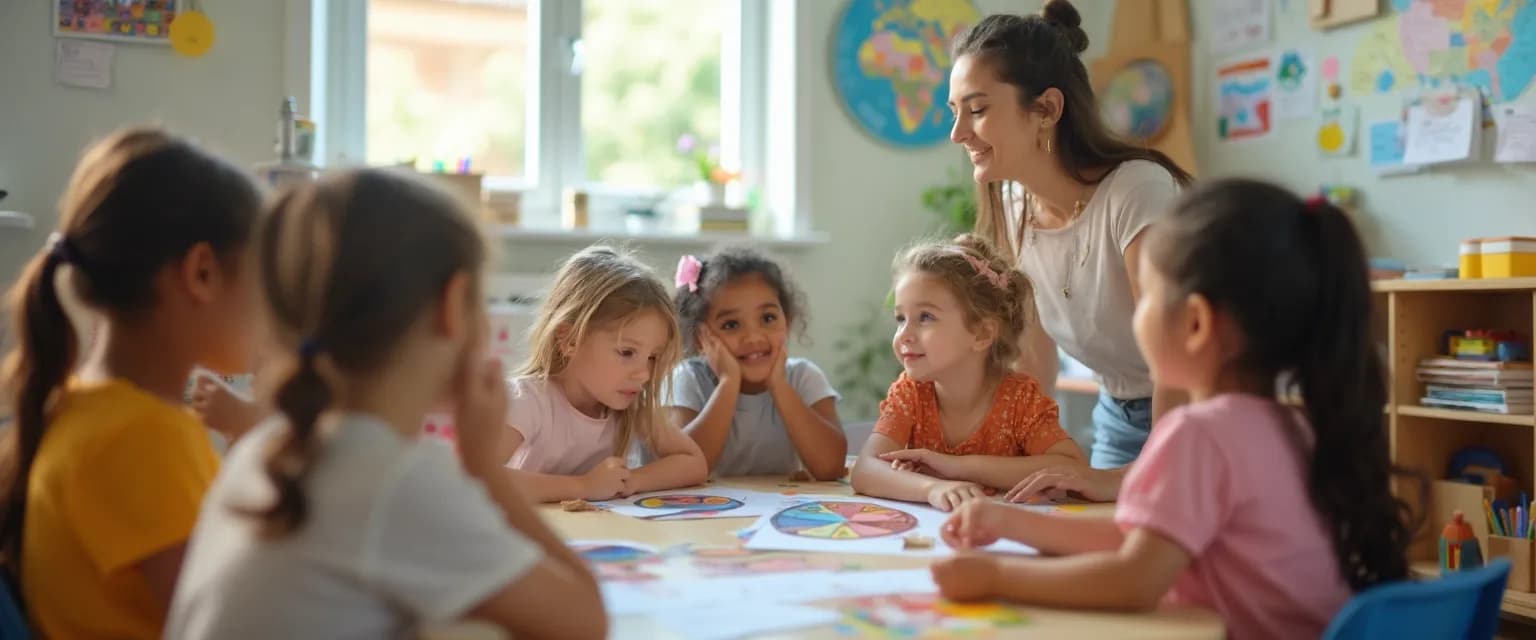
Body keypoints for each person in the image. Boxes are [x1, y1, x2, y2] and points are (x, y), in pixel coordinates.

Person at [933, 180, 1414, 640]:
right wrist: (1009, 522)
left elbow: (1135, 581)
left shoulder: (1198, 434)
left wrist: (995, 577)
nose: (1136, 315)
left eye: (1145, 296)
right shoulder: (1294, 426)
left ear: (1196, 323)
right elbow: (1146, 537)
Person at [168, 169, 606, 639]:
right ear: (454, 304)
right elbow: (585, 620)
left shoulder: (269, 445)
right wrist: (485, 469)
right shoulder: (396, 479)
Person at [0, 128, 261, 638]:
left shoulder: (82, 405)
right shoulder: (145, 438)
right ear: (202, 274)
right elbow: (229, 627)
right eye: (263, 280)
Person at [949, 0, 1194, 500]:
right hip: (1119, 417)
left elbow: (1179, 360)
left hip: (1196, 415)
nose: (958, 134)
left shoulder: (1137, 192)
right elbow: (1034, 363)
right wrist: (1001, 458)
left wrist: (1126, 479)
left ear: (1047, 109)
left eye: (977, 110)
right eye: (955, 112)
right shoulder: (1015, 209)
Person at [851, 235, 1085, 511]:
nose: (904, 335)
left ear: (982, 333)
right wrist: (932, 488)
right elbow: (865, 469)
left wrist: (955, 467)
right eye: (901, 319)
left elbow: (1072, 467)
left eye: (925, 317)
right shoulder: (910, 394)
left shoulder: (1020, 400)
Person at [500, 246, 709, 502]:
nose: (644, 374)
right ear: (570, 339)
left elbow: (693, 462)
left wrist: (631, 480)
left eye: (653, 357)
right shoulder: (528, 401)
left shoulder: (630, 408)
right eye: (626, 352)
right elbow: (474, 476)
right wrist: (582, 487)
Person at [668, 247, 846, 479]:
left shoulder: (803, 377)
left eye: (768, 318)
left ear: (787, 321)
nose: (753, 337)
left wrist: (779, 385)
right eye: (731, 325)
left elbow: (831, 467)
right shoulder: (689, 379)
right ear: (701, 338)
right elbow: (682, 467)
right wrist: (728, 382)